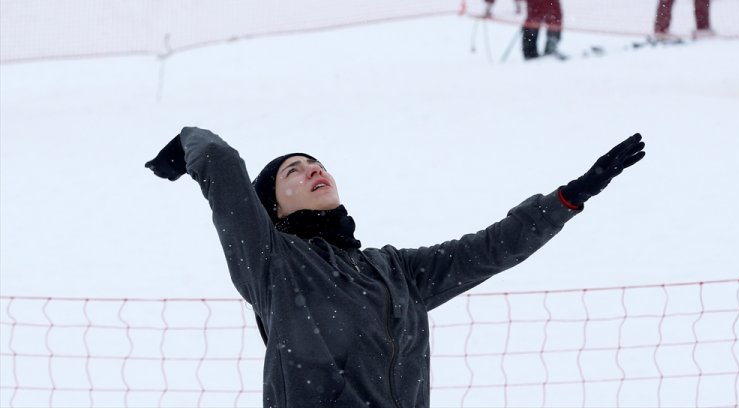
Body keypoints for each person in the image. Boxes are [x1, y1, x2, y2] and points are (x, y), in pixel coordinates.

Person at [145, 127, 646, 407]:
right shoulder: (273, 264)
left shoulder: (392, 270)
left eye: (314, 161)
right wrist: (191, 142)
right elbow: (223, 165)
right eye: (291, 172)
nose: (312, 169)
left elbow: (490, 249)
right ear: (272, 209)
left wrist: (569, 197)